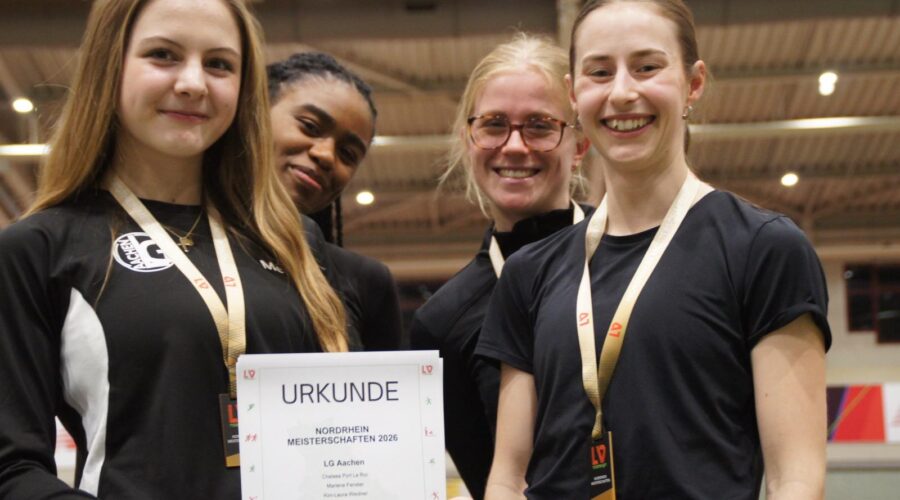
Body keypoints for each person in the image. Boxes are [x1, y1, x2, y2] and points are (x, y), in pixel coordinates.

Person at [477, 1, 830, 499]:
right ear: (574, 94)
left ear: (693, 83)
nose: (622, 92)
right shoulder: (529, 273)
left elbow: (795, 477)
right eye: (600, 72)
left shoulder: (763, 249)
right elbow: (508, 478)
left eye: (647, 67)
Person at [0, 0, 347, 497]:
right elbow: (11, 469)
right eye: (163, 55)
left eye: (219, 64)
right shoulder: (37, 251)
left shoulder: (291, 240)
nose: (193, 83)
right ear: (109, 66)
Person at [409, 34, 591, 500]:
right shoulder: (442, 323)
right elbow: (486, 476)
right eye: (493, 125)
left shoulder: (637, 252)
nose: (513, 146)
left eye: (540, 125)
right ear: (468, 139)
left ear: (580, 143)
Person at [268, 52, 403, 351]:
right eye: (310, 126)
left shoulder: (366, 281)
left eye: (348, 154)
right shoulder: (175, 244)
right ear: (254, 113)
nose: (326, 155)